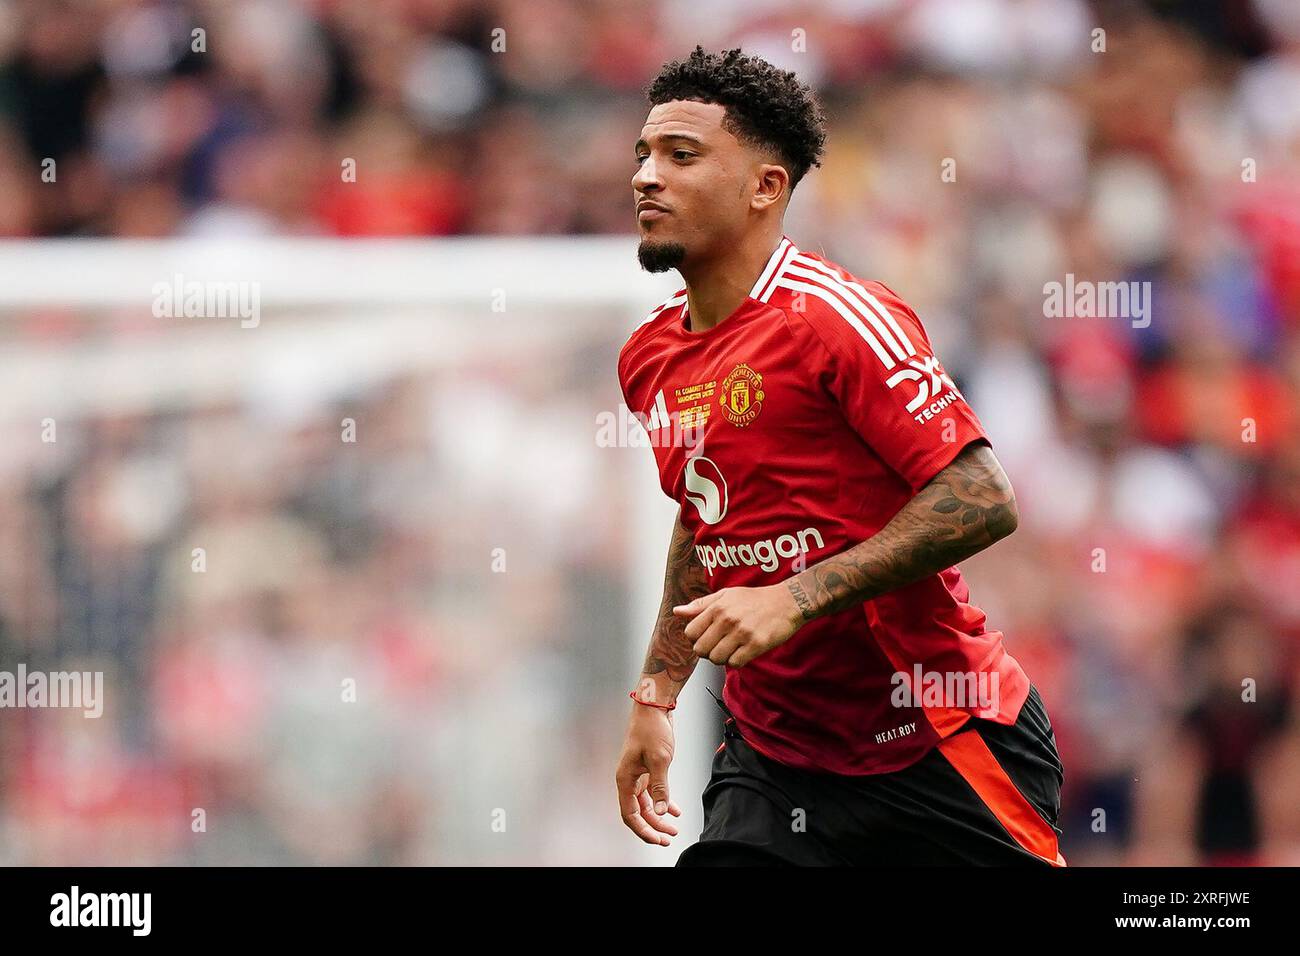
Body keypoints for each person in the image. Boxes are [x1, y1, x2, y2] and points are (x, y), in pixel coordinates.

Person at [614, 47, 1065, 866]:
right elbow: (705, 520)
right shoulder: (648, 356)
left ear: (765, 187)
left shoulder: (837, 318)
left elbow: (984, 494)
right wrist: (659, 691)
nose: (647, 176)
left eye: (681, 156)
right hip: (775, 761)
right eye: (643, 155)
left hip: (935, 737)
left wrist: (794, 597)